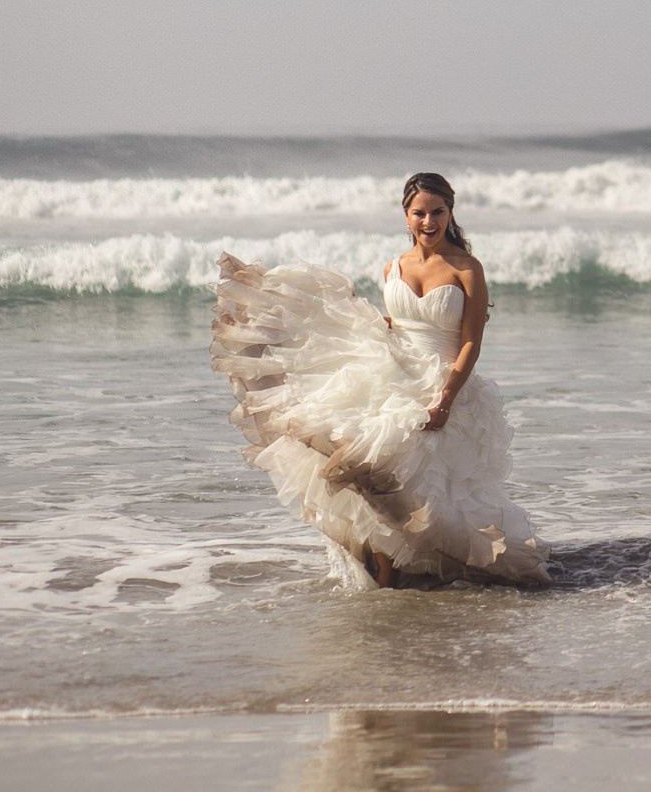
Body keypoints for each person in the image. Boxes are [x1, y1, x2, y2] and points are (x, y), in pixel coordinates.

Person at [210, 172, 549, 589]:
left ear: (450, 212)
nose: (429, 222)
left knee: (422, 491)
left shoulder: (467, 268)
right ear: (406, 216)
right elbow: (397, 325)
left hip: (444, 386)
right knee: (363, 471)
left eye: (437, 212)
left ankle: (414, 576)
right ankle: (387, 578)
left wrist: (444, 400)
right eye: (419, 213)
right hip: (391, 376)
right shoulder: (393, 266)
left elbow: (470, 345)